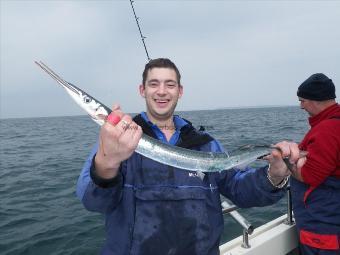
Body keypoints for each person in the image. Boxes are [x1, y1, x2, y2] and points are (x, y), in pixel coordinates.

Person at [76, 58, 301, 255]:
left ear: (179, 91)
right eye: (153, 84)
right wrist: (107, 163)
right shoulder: (118, 142)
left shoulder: (205, 144)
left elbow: (240, 190)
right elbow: (93, 202)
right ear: (142, 90)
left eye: (169, 84)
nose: (162, 91)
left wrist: (275, 174)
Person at [290, 73, 340, 255]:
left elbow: (310, 176)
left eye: (302, 100)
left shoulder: (327, 130)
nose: (301, 105)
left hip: (324, 225)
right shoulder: (333, 123)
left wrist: (288, 159)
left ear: (316, 99)